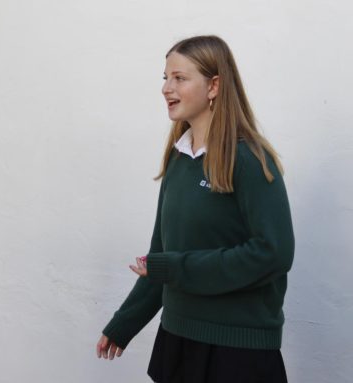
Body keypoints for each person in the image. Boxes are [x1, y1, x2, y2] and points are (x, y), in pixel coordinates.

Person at [96, 35, 295, 382]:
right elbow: (161, 256)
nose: (166, 88)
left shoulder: (249, 159)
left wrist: (174, 267)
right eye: (165, 78)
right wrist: (125, 322)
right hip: (177, 342)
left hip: (237, 354)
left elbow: (273, 253)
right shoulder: (178, 158)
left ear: (214, 85)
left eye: (180, 78)